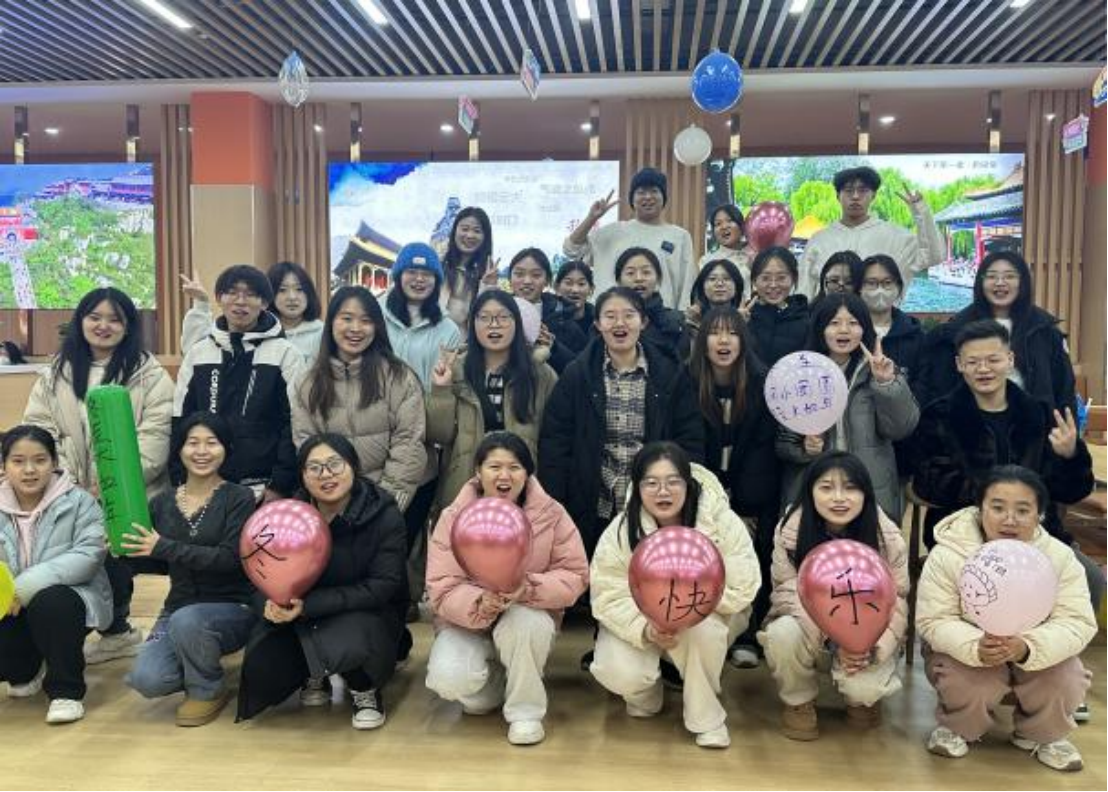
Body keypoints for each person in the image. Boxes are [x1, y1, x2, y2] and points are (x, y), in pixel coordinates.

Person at [24, 286, 173, 665]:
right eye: (95, 317)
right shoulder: (55, 373)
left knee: (115, 561)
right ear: (81, 321)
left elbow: (155, 437)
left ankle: (117, 631)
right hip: (66, 490)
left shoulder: (149, 374)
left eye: (114, 319)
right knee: (65, 561)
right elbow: (40, 429)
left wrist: (108, 484)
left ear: (128, 327)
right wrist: (66, 483)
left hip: (128, 493)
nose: (103, 326)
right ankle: (63, 636)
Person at [918, 466, 1095, 772]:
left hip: (1034, 646)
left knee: (1066, 677)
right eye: (998, 508)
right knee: (971, 680)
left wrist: (1027, 647)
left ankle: (1042, 735)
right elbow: (933, 620)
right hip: (968, 649)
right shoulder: (949, 553)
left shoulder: (1060, 557)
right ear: (980, 509)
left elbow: (1077, 621)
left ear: (1040, 515)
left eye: (1023, 510)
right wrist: (976, 646)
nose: (1009, 519)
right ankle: (958, 728)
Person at [588, 442, 760, 749]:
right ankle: (645, 693)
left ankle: (706, 716)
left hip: (705, 617)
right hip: (644, 620)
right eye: (651, 483)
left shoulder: (721, 521)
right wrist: (647, 627)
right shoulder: (621, 530)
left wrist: (691, 607)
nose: (663, 492)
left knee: (703, 633)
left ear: (687, 483)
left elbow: (744, 582)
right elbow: (607, 592)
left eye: (673, 482)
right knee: (616, 669)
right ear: (638, 487)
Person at [425, 432, 588, 746]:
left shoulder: (552, 514)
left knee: (525, 623)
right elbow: (441, 586)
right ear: (478, 471)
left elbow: (575, 574)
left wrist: (529, 588)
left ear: (527, 473)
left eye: (514, 467)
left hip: (526, 614)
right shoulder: (452, 517)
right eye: (494, 467)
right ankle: (498, 684)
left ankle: (525, 712)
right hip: (467, 623)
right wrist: (478, 601)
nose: (504, 475)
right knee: (450, 680)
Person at [236, 434, 408, 730]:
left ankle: (364, 688)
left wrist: (307, 606)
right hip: (299, 613)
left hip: (363, 611)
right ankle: (313, 672)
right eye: (314, 468)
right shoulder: (285, 516)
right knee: (262, 665)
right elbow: (256, 574)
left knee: (353, 640)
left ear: (353, 466)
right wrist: (270, 604)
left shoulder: (383, 514)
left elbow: (382, 586)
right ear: (302, 476)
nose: (326, 474)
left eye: (334, 464)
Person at [539, 288, 704, 557]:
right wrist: (556, 502)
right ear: (597, 324)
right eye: (610, 316)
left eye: (629, 315)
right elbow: (556, 441)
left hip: (653, 499)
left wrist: (683, 491)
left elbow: (690, 435)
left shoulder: (669, 372)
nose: (620, 323)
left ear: (643, 322)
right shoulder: (578, 374)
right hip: (593, 499)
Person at [759, 452, 908, 741]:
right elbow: (787, 592)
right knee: (782, 634)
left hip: (867, 636)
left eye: (850, 488)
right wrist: (835, 637)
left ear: (865, 493)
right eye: (826, 488)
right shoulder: (790, 530)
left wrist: (866, 647)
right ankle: (799, 701)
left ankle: (860, 696)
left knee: (864, 693)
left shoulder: (887, 536)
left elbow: (898, 600)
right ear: (810, 491)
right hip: (810, 625)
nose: (839, 498)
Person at [122, 414, 257, 727]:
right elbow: (154, 562)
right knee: (147, 680)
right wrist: (123, 549)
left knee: (189, 621)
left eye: (212, 442)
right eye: (192, 442)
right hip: (177, 607)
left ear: (225, 449)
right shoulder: (161, 502)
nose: (202, 451)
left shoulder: (240, 497)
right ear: (179, 449)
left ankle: (207, 688)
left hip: (234, 606)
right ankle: (197, 656)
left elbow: (229, 558)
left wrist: (163, 547)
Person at [687, 306, 780, 668]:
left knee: (748, 560)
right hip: (702, 490)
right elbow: (687, 442)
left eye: (732, 333)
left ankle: (746, 634)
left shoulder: (762, 382)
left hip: (750, 495)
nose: (723, 341)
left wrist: (742, 501)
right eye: (714, 332)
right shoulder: (687, 380)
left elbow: (764, 448)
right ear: (702, 341)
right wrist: (708, 493)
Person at [0, 425, 111, 725]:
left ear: (54, 462)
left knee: (53, 601)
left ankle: (66, 692)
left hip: (69, 602)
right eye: (18, 461)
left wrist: (22, 587)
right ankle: (25, 671)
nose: (29, 470)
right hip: (10, 604)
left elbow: (88, 555)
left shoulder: (80, 502)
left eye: (40, 460)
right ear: (4, 465)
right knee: (13, 665)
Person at [776, 293, 919, 520]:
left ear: (865, 329)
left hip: (870, 489)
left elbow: (901, 428)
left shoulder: (880, 370)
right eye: (834, 323)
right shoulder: (800, 375)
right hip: (815, 491)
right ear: (820, 328)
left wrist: (886, 383)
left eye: (853, 323)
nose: (844, 330)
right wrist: (805, 448)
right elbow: (783, 444)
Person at [173, 265, 303, 503]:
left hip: (263, 489)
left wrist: (280, 484)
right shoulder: (199, 354)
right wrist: (181, 478)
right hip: (205, 487)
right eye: (232, 292)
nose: (240, 301)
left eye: (251, 294)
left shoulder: (286, 354)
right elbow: (181, 418)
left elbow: (295, 422)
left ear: (264, 303)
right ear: (219, 298)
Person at [291, 286, 426, 512]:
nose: (355, 328)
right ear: (331, 323)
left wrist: (385, 506)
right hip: (332, 504)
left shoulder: (399, 377)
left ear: (377, 326)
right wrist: (332, 501)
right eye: (346, 318)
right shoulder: (308, 383)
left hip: (386, 504)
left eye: (366, 320)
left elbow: (409, 443)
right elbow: (307, 445)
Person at [427, 291, 556, 512]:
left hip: (522, 488)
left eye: (503, 317)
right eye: (484, 318)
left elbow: (553, 439)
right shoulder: (455, 370)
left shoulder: (541, 375)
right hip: (464, 485)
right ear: (472, 324)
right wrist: (441, 390)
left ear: (517, 323)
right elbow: (439, 435)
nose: (494, 325)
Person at [916, 251, 1076, 412]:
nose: (1000, 283)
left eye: (1009, 276)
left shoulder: (1044, 330)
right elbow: (939, 390)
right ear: (981, 282)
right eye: (992, 276)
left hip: (1035, 424)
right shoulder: (955, 330)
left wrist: (1068, 426)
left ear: (1023, 282)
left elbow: (1065, 389)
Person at [798, 165, 943, 298]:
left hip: (882, 317)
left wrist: (921, 212)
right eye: (848, 190)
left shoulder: (896, 236)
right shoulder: (820, 239)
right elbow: (804, 289)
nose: (855, 196)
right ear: (838, 196)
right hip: (829, 317)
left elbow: (934, 256)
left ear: (873, 195)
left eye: (862, 190)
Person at [563, 167, 695, 309]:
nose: (648, 197)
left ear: (664, 197)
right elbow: (571, 250)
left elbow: (688, 285)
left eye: (654, 191)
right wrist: (591, 218)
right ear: (632, 199)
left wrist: (683, 317)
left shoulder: (679, 236)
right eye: (641, 192)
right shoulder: (612, 232)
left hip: (661, 318)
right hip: (610, 316)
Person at [180, 261, 325, 364]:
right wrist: (201, 304)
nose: (292, 297)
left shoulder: (322, 334)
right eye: (282, 290)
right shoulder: (250, 330)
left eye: (299, 289)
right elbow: (195, 354)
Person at [507, 248, 588, 373]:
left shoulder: (563, 318)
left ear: (547, 281)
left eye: (536, 275)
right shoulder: (497, 312)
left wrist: (554, 347)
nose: (527, 281)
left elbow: (582, 369)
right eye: (519, 274)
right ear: (509, 279)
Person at [745, 247, 810, 368]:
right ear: (754, 281)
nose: (773, 285)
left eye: (781, 278)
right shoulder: (744, 316)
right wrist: (738, 326)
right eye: (765, 278)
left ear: (794, 279)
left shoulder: (806, 318)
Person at [553, 260, 596, 340]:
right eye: (568, 283)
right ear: (557, 287)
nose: (575, 290)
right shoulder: (549, 320)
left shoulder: (599, 322)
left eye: (581, 284)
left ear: (591, 289)